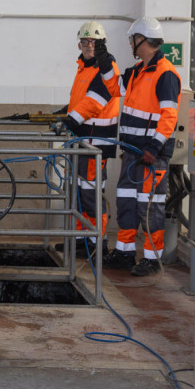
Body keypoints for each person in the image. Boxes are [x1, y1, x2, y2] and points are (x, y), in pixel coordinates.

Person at [102, 16, 181, 276]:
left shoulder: (165, 74)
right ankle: (124, 253)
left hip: (151, 156)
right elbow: (114, 87)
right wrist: (104, 61)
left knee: (150, 208)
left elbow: (169, 116)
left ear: (142, 40)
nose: (130, 43)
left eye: (132, 39)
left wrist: (154, 147)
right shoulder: (136, 71)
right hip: (131, 153)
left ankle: (151, 259)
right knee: (126, 203)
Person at [60, 21, 119, 257]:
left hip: (95, 142)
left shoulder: (106, 68)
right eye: (84, 41)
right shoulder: (83, 68)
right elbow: (80, 101)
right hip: (81, 140)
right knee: (76, 191)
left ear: (102, 44)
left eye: (93, 41)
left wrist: (71, 119)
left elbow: (95, 101)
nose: (88, 46)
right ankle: (80, 239)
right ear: (79, 44)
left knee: (91, 193)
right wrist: (65, 113)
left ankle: (97, 241)